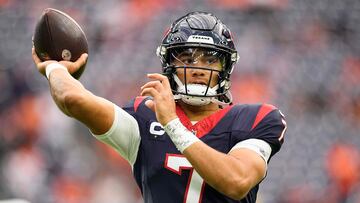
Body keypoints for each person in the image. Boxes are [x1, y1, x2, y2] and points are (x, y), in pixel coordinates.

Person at [32, 11, 287, 203]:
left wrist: (173, 125)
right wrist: (56, 68)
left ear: (224, 69)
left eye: (210, 60)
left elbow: (237, 181)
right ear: (169, 65)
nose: (198, 68)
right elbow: (73, 100)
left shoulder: (257, 118)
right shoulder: (145, 117)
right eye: (187, 58)